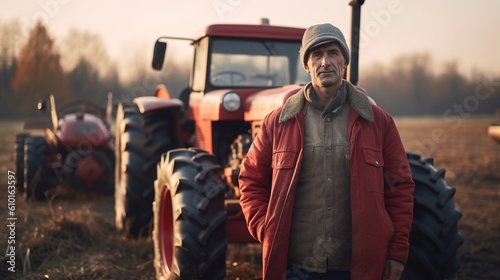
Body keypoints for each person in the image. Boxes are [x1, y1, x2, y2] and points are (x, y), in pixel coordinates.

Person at [238, 23, 415, 280]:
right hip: (296, 267)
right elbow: (250, 180)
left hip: (356, 268)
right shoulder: (277, 123)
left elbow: (400, 189)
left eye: (333, 53)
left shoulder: (379, 122)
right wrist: (267, 228)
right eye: (316, 55)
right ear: (307, 65)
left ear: (344, 61)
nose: (325, 62)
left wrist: (397, 253)